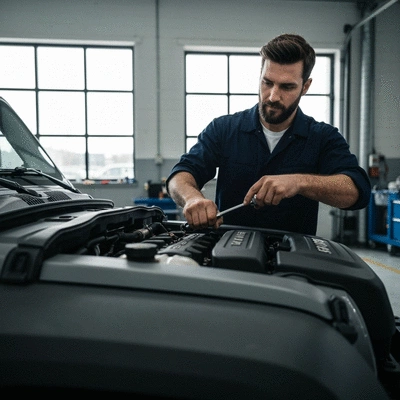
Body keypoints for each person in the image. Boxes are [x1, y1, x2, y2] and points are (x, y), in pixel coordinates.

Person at [166, 33, 371, 235]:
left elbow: (357, 191)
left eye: (287, 87)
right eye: (267, 82)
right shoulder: (224, 129)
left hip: (294, 259)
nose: (273, 96)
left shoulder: (322, 137)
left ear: (305, 86)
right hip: (227, 256)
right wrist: (192, 198)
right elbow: (180, 176)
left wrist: (298, 182)